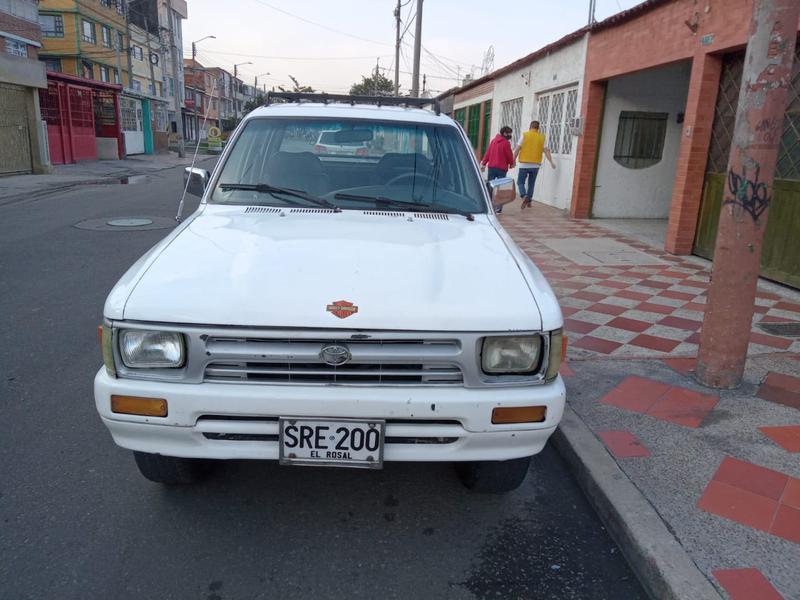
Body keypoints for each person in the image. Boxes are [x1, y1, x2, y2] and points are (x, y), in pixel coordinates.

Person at [513, 120, 556, 209]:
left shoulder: (525, 135)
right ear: (538, 128)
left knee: (520, 182)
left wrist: (512, 160)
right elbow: (546, 150)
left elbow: (517, 149)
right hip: (535, 165)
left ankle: (524, 196)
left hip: (524, 164)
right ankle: (529, 201)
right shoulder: (541, 137)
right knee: (531, 184)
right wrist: (551, 162)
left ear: (530, 127)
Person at [480, 125, 515, 213]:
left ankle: (487, 205)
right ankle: (498, 208)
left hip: (491, 167)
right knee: (500, 188)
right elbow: (509, 155)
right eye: (509, 134)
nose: (510, 135)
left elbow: (488, 153)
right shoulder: (506, 143)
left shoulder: (493, 141)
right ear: (504, 133)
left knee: (490, 187)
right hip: (501, 169)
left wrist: (484, 163)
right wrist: (511, 163)